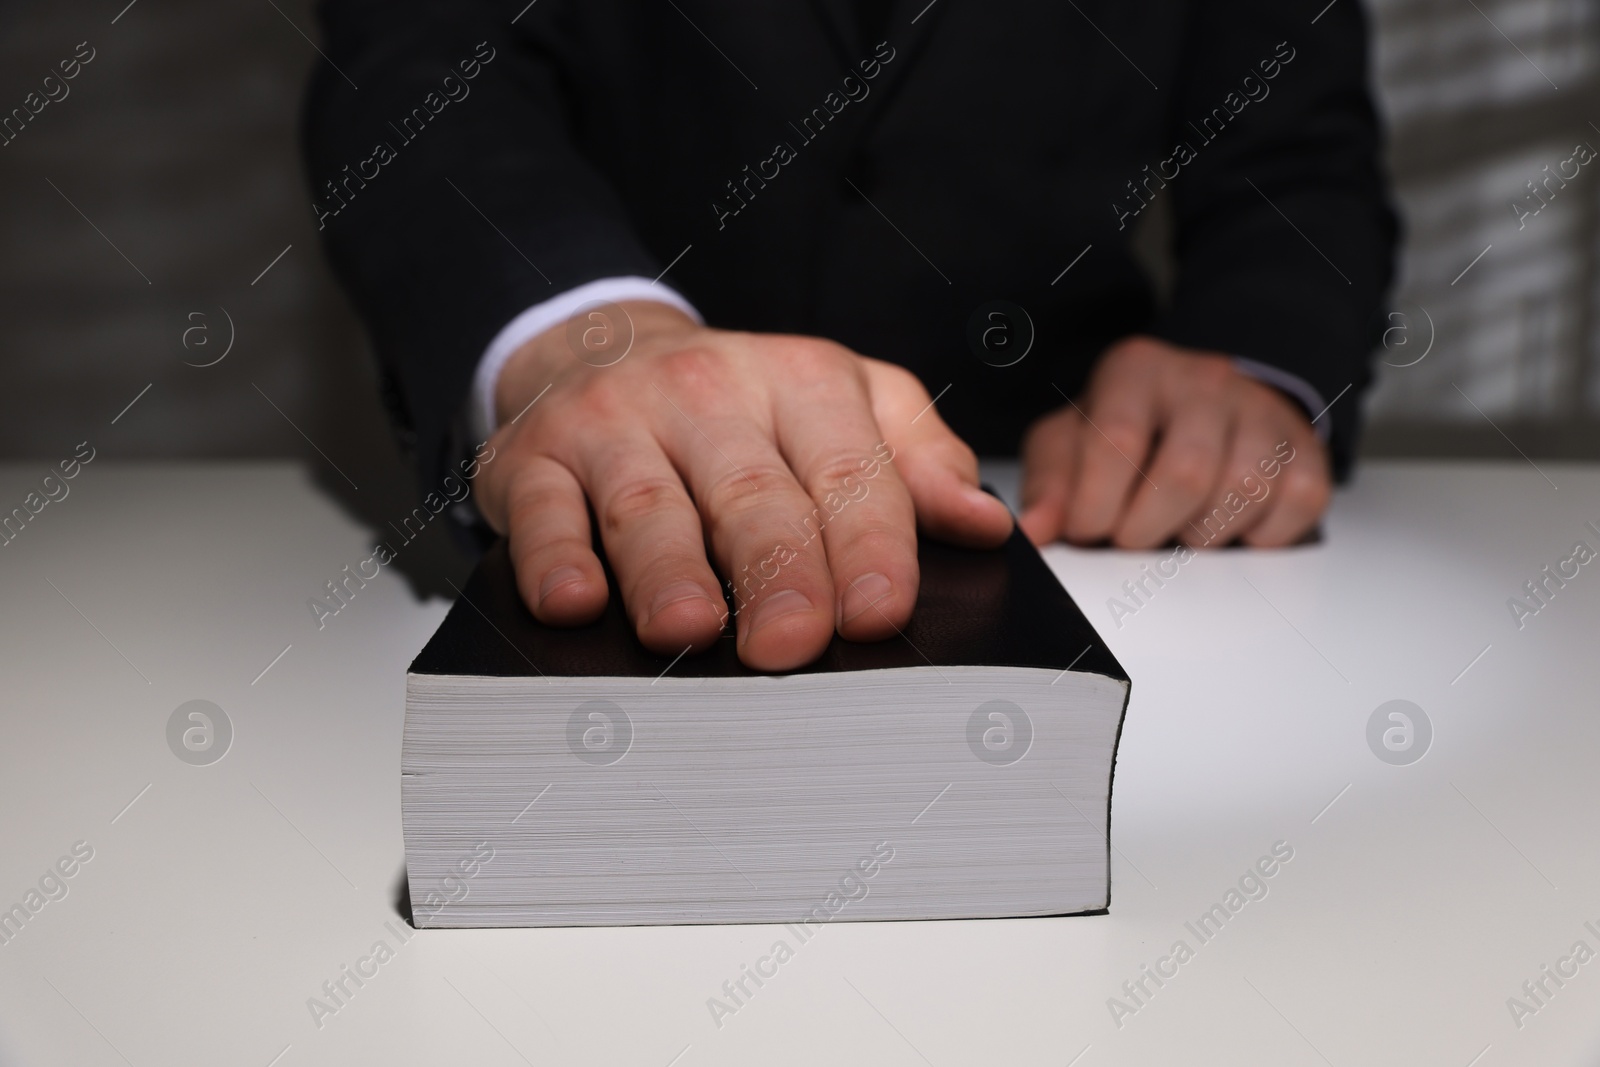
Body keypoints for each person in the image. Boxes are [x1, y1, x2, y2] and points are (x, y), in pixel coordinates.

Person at [303, 0, 1397, 671]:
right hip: (613, 467)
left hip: (1072, 504)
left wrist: (1253, 357)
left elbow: (1299, 150)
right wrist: (576, 329)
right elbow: (414, 62)